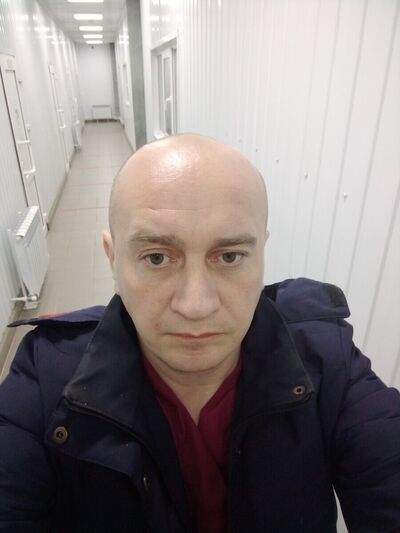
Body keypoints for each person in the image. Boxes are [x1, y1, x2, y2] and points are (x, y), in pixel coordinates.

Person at [0, 134, 399, 533]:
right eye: (157, 257)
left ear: (261, 254)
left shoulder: (327, 361)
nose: (195, 305)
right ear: (113, 258)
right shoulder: (46, 380)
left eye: (229, 256)